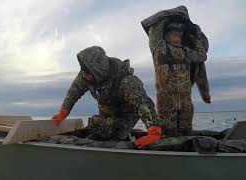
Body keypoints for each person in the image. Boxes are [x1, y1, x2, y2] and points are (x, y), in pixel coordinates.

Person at [52, 46, 161, 147]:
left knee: (114, 133)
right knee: (98, 130)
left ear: (98, 70)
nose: (85, 76)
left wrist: (154, 129)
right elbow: (73, 92)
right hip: (105, 111)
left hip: (125, 114)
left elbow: (144, 104)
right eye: (84, 71)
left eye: (88, 72)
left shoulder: (126, 82)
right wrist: (64, 111)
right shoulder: (86, 75)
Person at [141, 6, 211, 136]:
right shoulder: (160, 49)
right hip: (167, 99)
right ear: (166, 36)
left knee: (186, 131)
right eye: (175, 35)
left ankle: (186, 152)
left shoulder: (185, 51)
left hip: (185, 99)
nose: (178, 38)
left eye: (180, 36)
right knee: (169, 132)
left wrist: (194, 35)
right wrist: (168, 17)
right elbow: (154, 29)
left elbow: (202, 55)